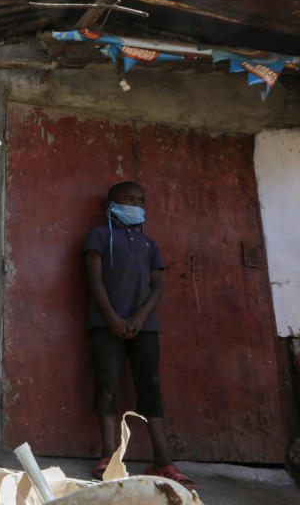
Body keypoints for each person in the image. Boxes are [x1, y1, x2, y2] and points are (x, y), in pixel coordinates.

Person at [83, 181, 197, 490]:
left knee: (151, 387)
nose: (135, 204)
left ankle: (163, 459)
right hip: (105, 324)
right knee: (107, 385)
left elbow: (157, 287)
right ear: (112, 204)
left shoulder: (149, 244)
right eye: (128, 199)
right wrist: (113, 319)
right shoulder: (98, 236)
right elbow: (94, 282)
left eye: (140, 200)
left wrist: (138, 317)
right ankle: (109, 455)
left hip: (144, 326)